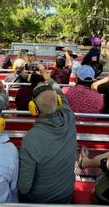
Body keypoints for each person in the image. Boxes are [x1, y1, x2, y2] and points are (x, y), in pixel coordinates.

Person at [18, 66, 77, 203]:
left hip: (38, 200)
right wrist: (46, 76)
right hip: (66, 196)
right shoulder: (69, 117)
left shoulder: (31, 139)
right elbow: (57, 90)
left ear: (33, 108)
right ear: (59, 102)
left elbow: (24, 188)